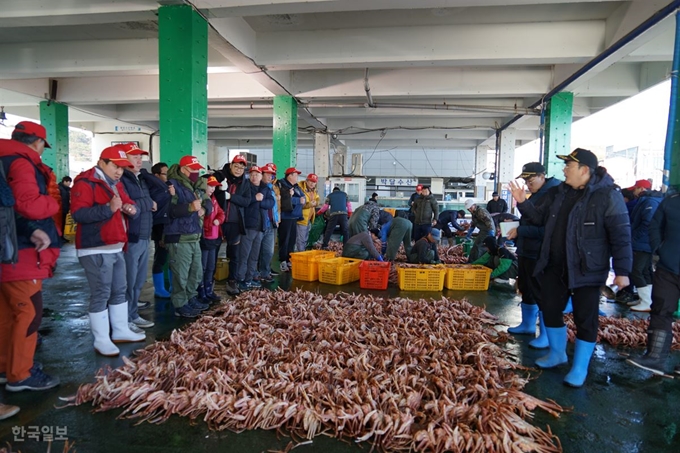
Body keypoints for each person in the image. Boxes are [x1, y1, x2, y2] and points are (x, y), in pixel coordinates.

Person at [509, 148, 632, 388]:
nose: (564, 170)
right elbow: (538, 218)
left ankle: (579, 368)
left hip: (588, 269)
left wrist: (623, 271)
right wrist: (523, 203)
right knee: (551, 309)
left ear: (585, 170)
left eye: (569, 166)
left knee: (585, 318)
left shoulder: (607, 195)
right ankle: (558, 353)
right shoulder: (559, 192)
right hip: (555, 265)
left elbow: (621, 234)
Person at [0, 121, 61, 390]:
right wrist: (54, 202)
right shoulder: (22, 163)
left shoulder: (4, 161)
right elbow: (29, 206)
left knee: (8, 314)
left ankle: (6, 367)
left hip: (8, 248)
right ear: (37, 143)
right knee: (28, 313)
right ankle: (21, 374)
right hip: (22, 251)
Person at [71, 145, 145, 356]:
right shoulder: (86, 183)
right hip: (95, 247)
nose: (119, 171)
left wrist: (131, 209)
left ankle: (120, 329)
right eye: (115, 166)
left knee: (119, 289)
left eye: (122, 167)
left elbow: (128, 203)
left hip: (116, 246)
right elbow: (79, 214)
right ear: (101, 162)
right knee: (101, 292)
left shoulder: (116, 184)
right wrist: (109, 209)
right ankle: (101, 339)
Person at [504, 162, 560, 347]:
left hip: (541, 253)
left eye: (531, 179)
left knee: (542, 292)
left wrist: (522, 231)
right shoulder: (538, 194)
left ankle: (546, 334)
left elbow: (547, 230)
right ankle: (527, 325)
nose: (528, 184)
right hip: (527, 250)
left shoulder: (554, 195)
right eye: (526, 180)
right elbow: (532, 219)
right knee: (527, 288)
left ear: (542, 176)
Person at [627, 192, 680, 376]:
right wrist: (659, 248)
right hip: (668, 268)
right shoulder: (671, 201)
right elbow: (655, 225)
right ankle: (655, 357)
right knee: (660, 311)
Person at [165, 155, 211, 318]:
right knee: (180, 274)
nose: (196, 172)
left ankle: (191, 298)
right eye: (193, 169)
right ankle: (180, 304)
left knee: (195, 272)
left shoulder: (196, 186)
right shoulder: (172, 185)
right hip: (179, 237)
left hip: (195, 236)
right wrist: (189, 208)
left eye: (198, 169)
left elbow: (208, 202)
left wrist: (205, 209)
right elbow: (168, 211)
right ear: (183, 169)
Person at [119, 143, 156, 332]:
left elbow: (140, 202)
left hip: (144, 234)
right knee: (128, 281)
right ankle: (124, 319)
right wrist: (147, 203)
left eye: (140, 157)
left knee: (138, 280)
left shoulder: (139, 179)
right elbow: (129, 205)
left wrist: (144, 203)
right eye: (134, 157)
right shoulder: (122, 179)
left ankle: (132, 314)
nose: (139, 160)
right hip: (131, 236)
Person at [213, 155, 251, 295]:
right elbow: (210, 193)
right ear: (230, 165)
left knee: (234, 254)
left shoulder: (244, 183)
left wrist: (231, 197)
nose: (239, 170)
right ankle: (208, 283)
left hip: (235, 223)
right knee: (213, 252)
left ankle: (232, 281)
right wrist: (220, 190)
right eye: (236, 166)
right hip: (217, 221)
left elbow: (247, 201)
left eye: (242, 168)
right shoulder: (220, 177)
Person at [626, 179, 663, 312]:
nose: (634, 192)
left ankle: (647, 301)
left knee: (636, 270)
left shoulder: (649, 202)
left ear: (641, 189)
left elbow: (647, 223)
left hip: (643, 243)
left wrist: (634, 238)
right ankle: (646, 299)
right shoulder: (648, 201)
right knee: (645, 271)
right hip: (645, 242)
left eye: (635, 189)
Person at [237, 166, 274, 290]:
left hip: (260, 227)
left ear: (260, 176)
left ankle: (249, 278)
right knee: (244, 255)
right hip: (248, 227)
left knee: (254, 256)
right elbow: (243, 201)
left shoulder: (265, 188)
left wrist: (260, 202)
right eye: (251, 174)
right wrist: (255, 199)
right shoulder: (246, 186)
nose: (254, 177)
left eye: (256, 174)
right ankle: (240, 279)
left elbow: (271, 203)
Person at [142, 162, 174, 299]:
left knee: (172, 258)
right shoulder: (155, 190)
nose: (168, 176)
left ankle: (173, 286)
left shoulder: (167, 188)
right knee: (160, 258)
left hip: (170, 225)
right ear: (156, 175)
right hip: (159, 226)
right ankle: (159, 289)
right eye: (165, 174)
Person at [198, 175, 224, 302]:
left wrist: (219, 220)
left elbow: (221, 213)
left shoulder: (213, 199)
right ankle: (201, 291)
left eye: (214, 186)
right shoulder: (201, 199)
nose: (212, 189)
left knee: (210, 266)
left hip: (214, 239)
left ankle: (209, 289)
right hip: (204, 239)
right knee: (202, 267)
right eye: (210, 185)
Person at [276, 167, 306, 272]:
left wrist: (300, 199)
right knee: (284, 240)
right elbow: (285, 199)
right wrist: (298, 200)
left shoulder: (296, 187)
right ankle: (283, 261)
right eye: (295, 175)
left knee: (292, 240)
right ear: (290, 175)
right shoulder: (282, 185)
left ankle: (289, 259)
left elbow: (304, 198)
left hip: (295, 217)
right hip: (286, 217)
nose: (297, 177)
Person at [258, 164, 279, 283]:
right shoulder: (258, 187)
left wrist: (276, 218)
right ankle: (259, 273)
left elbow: (274, 206)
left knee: (269, 250)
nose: (270, 177)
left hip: (272, 222)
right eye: (268, 174)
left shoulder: (271, 188)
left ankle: (265, 272)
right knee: (258, 251)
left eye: (272, 175)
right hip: (261, 223)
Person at [296, 173, 319, 251]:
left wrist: (316, 203)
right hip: (301, 219)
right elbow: (298, 204)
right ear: (306, 181)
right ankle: (300, 256)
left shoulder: (313, 190)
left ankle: (301, 254)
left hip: (308, 219)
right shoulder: (300, 189)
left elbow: (317, 199)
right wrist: (309, 204)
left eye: (314, 182)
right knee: (300, 240)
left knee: (304, 239)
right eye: (311, 181)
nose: (312, 183)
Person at [58, 175, 72, 242]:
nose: (69, 184)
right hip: (60, 210)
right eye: (69, 182)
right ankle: (59, 237)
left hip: (64, 209)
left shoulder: (66, 189)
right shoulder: (60, 189)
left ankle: (62, 236)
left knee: (63, 223)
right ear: (65, 181)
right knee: (60, 223)